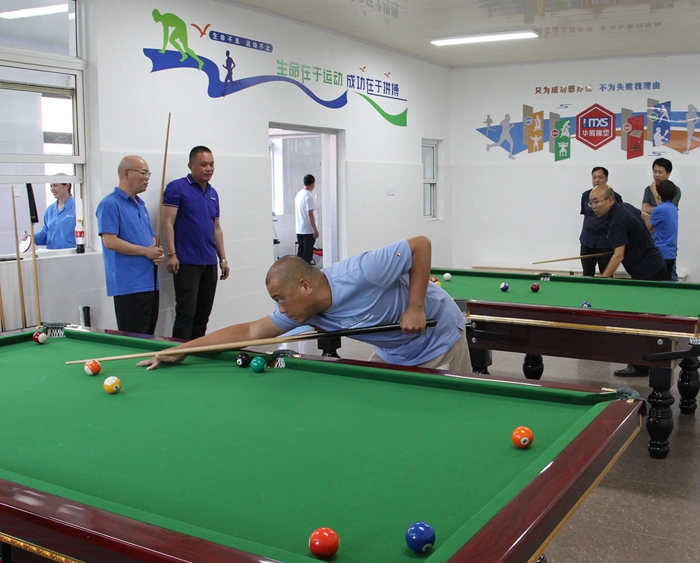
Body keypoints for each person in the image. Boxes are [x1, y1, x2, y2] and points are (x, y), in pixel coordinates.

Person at [138, 237, 471, 374]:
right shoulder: (304, 310)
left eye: (280, 298)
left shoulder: (361, 272)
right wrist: (186, 349)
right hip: (393, 349)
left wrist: (415, 307)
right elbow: (251, 331)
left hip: (437, 339)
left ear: (305, 286)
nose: (281, 309)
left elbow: (420, 246)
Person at [589, 184, 666, 377]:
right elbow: (646, 220)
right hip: (655, 265)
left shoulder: (617, 221)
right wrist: (638, 240)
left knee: (638, 320)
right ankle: (649, 363)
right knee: (647, 318)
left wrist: (603, 279)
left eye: (596, 201)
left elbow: (619, 255)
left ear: (610, 200)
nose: (593, 206)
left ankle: (642, 365)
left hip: (647, 272)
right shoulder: (626, 207)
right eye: (591, 202)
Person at [163, 146, 229, 340]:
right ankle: (179, 350)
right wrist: (172, 254)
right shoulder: (177, 188)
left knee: (203, 314)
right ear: (191, 165)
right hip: (187, 262)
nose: (209, 169)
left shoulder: (213, 193)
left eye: (211, 164)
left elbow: (216, 228)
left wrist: (223, 259)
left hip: (209, 261)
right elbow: (168, 222)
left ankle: (197, 350)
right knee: (187, 313)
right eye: (203, 164)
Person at [96, 156, 164, 335]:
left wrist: (157, 252)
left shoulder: (140, 205)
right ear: (127, 174)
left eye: (148, 174)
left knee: (148, 338)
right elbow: (110, 241)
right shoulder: (110, 204)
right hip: (129, 285)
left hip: (150, 282)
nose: (147, 178)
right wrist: (146, 252)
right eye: (143, 173)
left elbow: (150, 238)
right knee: (134, 339)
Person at [641, 158, 680, 280]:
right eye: (655, 171)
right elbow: (644, 207)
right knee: (668, 279)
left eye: (660, 172)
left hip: (661, 250)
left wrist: (655, 192)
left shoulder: (672, 192)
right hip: (667, 248)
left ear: (668, 173)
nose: (657, 175)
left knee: (660, 279)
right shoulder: (671, 208)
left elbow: (648, 225)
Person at [579, 167, 622, 276]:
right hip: (587, 242)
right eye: (594, 177)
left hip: (605, 243)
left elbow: (618, 219)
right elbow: (586, 215)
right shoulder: (585, 196)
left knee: (606, 275)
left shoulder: (615, 197)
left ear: (606, 179)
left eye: (600, 177)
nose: (597, 180)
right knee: (587, 274)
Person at [33, 177, 76, 249]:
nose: (52, 189)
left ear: (67, 186)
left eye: (55, 185)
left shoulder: (77, 207)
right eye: (51, 186)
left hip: (70, 252)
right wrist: (33, 237)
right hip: (52, 253)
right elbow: (46, 233)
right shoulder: (50, 210)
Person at [648, 180, 679, 281]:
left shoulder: (658, 210)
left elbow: (647, 228)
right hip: (671, 252)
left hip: (660, 252)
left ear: (658, 194)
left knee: (656, 284)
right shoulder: (673, 208)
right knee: (667, 282)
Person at [295, 174, 319, 264]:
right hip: (308, 231)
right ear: (313, 183)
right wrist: (315, 230)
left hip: (299, 230)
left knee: (300, 254)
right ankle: (305, 272)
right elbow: (310, 214)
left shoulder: (298, 195)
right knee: (307, 256)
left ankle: (297, 271)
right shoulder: (308, 196)